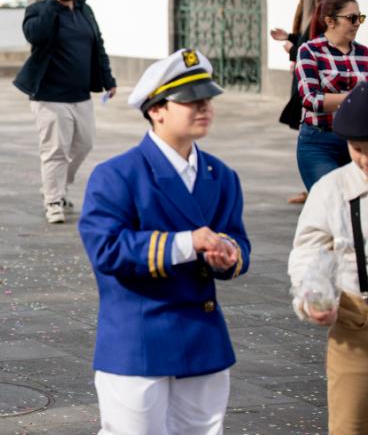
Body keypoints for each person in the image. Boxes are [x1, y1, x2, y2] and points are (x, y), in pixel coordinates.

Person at [79, 48, 250, 434]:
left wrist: (229, 253)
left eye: (207, 98)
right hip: (138, 340)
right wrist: (189, 243)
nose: (204, 107)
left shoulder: (221, 175)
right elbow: (107, 250)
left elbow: (238, 237)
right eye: (190, 100)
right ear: (156, 110)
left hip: (202, 339)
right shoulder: (116, 175)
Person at [287, 80, 368, 435]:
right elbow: (310, 250)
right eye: (357, 148)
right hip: (359, 324)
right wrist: (313, 293)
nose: (367, 160)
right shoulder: (334, 189)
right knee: (351, 425)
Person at [14, 0, 117, 224]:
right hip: (49, 96)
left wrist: (108, 79)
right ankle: (53, 200)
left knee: (84, 145)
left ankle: (54, 186)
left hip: (81, 95)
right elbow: (36, 36)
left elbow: (98, 46)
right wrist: (51, 3)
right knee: (55, 151)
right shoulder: (39, 9)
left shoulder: (84, 10)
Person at [294, 0, 368, 192]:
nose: (357, 24)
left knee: (363, 201)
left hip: (360, 144)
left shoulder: (366, 54)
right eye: (352, 18)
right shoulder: (310, 51)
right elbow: (311, 99)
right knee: (332, 199)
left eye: (360, 18)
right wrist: (358, 97)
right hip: (319, 142)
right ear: (330, 21)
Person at [276, 0, 337, 203]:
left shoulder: (319, 16)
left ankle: (315, 192)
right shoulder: (321, 13)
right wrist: (290, 37)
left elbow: (310, 50)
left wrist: (291, 49)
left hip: (320, 112)